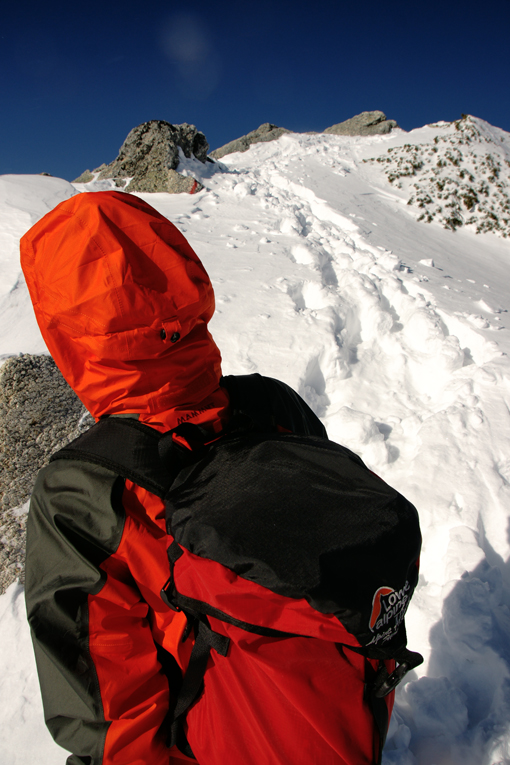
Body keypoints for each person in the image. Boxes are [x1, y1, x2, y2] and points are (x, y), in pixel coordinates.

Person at [21, 190, 393, 765]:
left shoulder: (81, 489)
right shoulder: (274, 405)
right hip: (334, 714)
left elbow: (104, 700)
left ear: (67, 336)